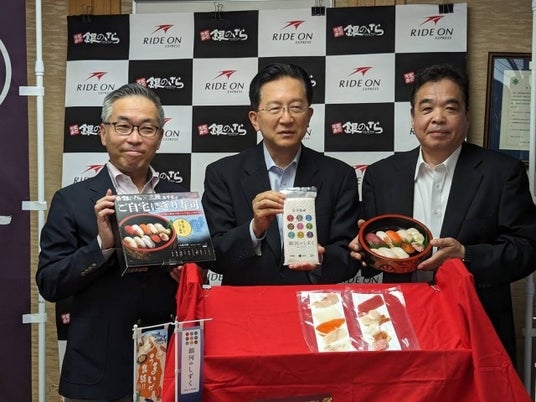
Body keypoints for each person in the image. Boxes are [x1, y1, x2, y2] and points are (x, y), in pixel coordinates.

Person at [349, 63, 536, 363]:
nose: (438, 117)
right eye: (427, 108)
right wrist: (364, 253)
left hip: (475, 324)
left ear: (467, 116)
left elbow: (527, 249)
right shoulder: (381, 175)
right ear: (413, 117)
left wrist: (466, 255)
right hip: (399, 324)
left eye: (450, 108)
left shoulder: (502, 173)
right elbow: (373, 263)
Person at [36, 83, 189, 402]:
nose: (135, 138)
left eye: (147, 128)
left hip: (165, 365)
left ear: (160, 137)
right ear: (103, 133)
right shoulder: (71, 200)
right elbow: (49, 283)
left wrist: (188, 272)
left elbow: (197, 274)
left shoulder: (177, 201)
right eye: (123, 126)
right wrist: (102, 246)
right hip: (97, 372)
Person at [202, 62, 360, 285]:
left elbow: (350, 255)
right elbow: (212, 254)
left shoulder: (339, 176)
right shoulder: (223, 174)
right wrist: (254, 229)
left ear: (309, 115)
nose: (286, 118)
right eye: (275, 108)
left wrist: (320, 259)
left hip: (314, 302)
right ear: (255, 119)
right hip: (247, 302)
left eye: (296, 107)